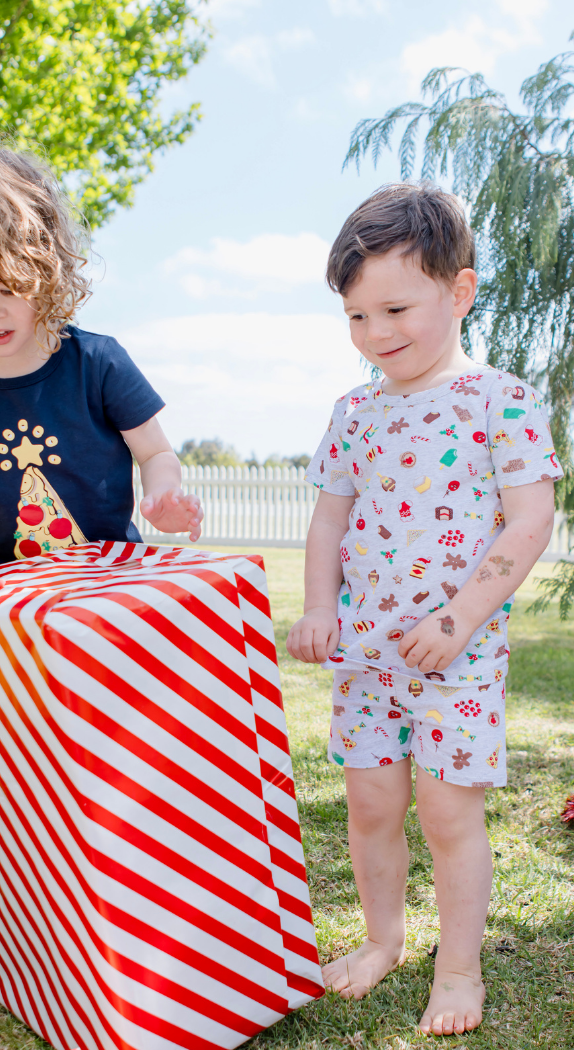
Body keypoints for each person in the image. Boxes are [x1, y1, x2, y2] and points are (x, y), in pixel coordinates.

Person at [0, 145, 203, 977]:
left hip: (107, 611)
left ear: (48, 267)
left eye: (9, 286)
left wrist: (167, 494)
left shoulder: (97, 359)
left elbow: (157, 457)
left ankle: (133, 916)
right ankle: (5, 927)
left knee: (111, 772)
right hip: (4, 620)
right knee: (4, 784)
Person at [286, 183, 562, 1037]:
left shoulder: (500, 400)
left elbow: (530, 520)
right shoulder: (355, 412)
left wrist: (459, 619)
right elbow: (329, 517)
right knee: (369, 805)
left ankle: (460, 969)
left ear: (460, 291)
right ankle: (382, 942)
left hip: (459, 655)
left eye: (396, 308)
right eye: (358, 318)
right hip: (367, 658)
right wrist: (317, 607)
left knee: (448, 814)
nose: (378, 335)